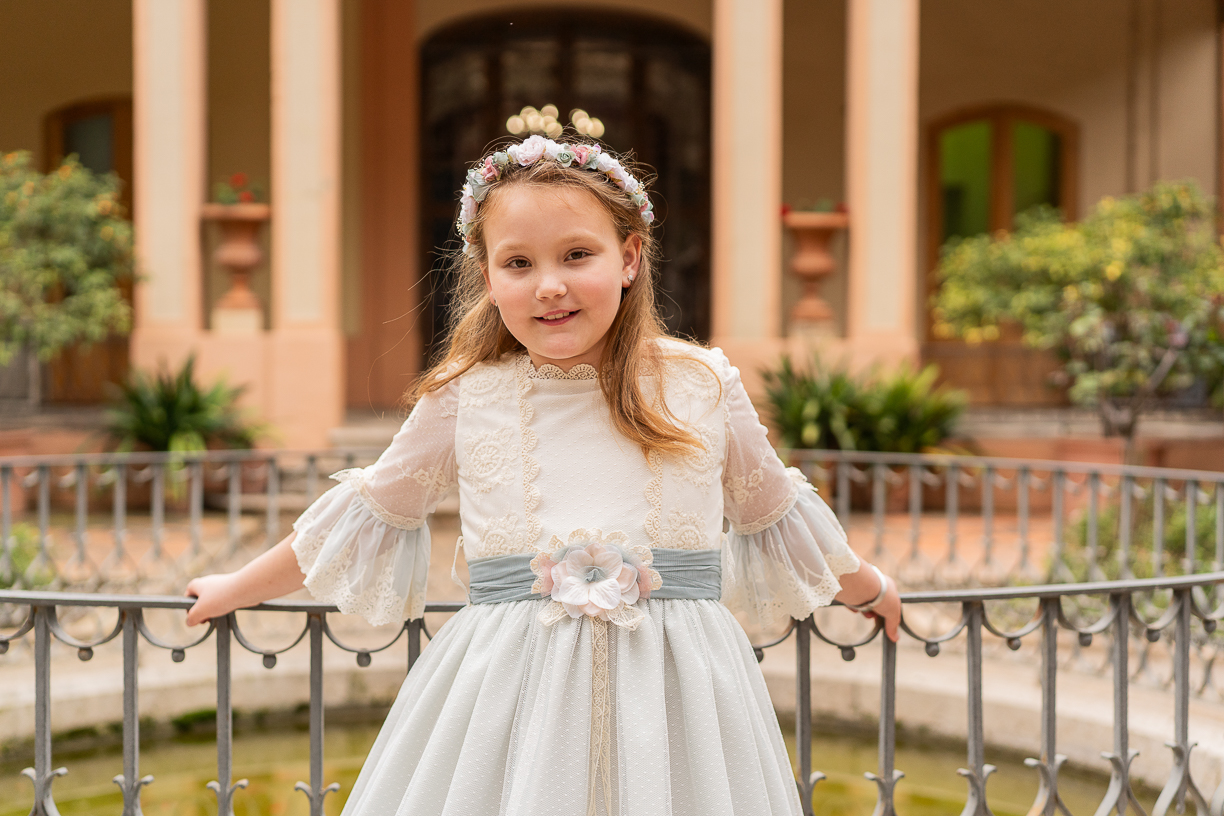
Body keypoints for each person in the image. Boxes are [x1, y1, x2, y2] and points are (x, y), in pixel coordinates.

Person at [185, 134, 902, 816]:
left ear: (629, 257)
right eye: (519, 264)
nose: (549, 286)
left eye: (577, 255)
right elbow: (367, 515)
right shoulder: (467, 395)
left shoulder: (700, 384)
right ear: (489, 279)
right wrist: (233, 589)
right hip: (511, 702)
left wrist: (868, 587)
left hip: (678, 700)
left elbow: (774, 512)